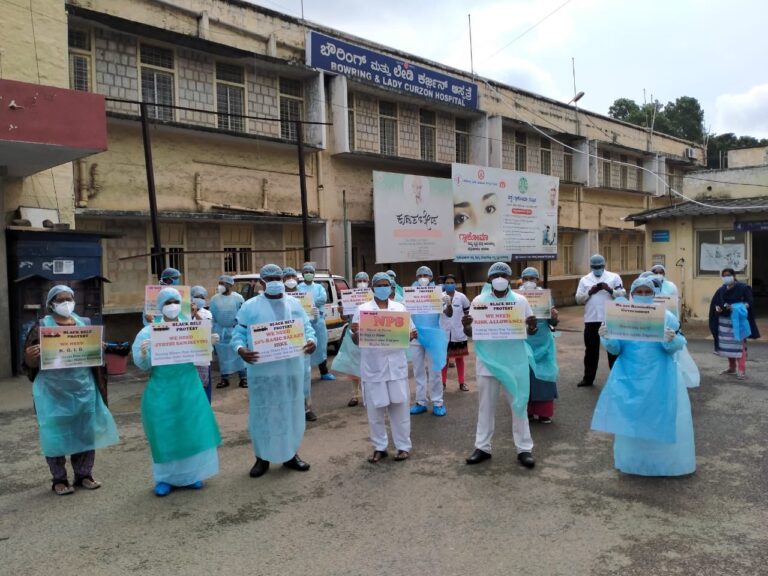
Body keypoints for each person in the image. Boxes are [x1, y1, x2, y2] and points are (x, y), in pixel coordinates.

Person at [591, 277, 696, 476]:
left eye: (648, 292)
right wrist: (606, 336)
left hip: (660, 376)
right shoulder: (621, 316)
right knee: (631, 418)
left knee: (659, 416)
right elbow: (615, 349)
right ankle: (633, 462)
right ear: (632, 293)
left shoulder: (666, 317)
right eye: (639, 292)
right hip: (629, 374)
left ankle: (663, 463)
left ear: (654, 294)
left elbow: (677, 344)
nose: (643, 296)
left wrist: (671, 340)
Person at [22, 285, 119, 495]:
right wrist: (30, 357)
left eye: (69, 298)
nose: (66, 303)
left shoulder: (84, 324)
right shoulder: (41, 328)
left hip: (82, 388)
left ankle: (84, 474)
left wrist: (98, 348)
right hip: (52, 391)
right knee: (54, 433)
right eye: (60, 299)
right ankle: (59, 479)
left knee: (84, 431)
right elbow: (28, 363)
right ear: (51, 304)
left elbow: (96, 359)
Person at [132, 287, 222, 496]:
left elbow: (200, 356)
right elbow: (142, 365)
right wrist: (145, 352)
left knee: (190, 429)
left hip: (189, 386)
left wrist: (207, 343)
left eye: (175, 301)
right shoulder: (148, 331)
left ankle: (191, 475)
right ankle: (165, 478)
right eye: (167, 302)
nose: (172, 306)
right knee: (165, 431)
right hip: (162, 388)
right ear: (160, 306)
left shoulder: (190, 327)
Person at [232, 264, 317, 478]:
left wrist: (311, 341)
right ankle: (262, 458)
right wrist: (240, 349)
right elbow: (238, 334)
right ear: (261, 283)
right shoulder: (250, 307)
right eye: (269, 279)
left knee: (291, 412)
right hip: (263, 373)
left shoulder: (295, 304)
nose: (275, 282)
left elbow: (307, 329)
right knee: (263, 414)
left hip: (291, 370)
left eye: (278, 277)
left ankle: (291, 455)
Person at [463, 262, 538, 469]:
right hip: (488, 362)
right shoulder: (478, 301)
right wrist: (467, 327)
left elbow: (529, 329)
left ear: (510, 279)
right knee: (485, 407)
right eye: (495, 274)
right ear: (489, 279)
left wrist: (532, 327)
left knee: (519, 405)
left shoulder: (520, 301)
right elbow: (472, 333)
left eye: (504, 274)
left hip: (514, 362)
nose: (500, 277)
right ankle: (482, 447)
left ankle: (524, 448)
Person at [351, 272, 417, 463]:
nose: (382, 288)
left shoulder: (399, 308)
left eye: (385, 285)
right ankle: (380, 447)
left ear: (391, 287)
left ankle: (403, 446)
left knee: (400, 407)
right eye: (379, 285)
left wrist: (412, 334)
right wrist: (356, 335)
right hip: (373, 367)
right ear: (372, 288)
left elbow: (411, 331)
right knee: (375, 410)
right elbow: (355, 339)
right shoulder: (363, 310)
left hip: (396, 366)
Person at [574, 254, 625, 387]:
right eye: (595, 267)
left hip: (610, 319)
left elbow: (622, 295)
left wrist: (609, 289)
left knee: (613, 350)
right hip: (591, 320)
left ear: (604, 265)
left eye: (600, 266)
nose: (597, 269)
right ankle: (588, 378)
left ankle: (616, 378)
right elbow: (578, 299)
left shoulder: (614, 277)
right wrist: (590, 292)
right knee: (591, 351)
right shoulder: (584, 279)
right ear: (591, 267)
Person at [520, 267, 560, 424]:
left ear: (538, 280)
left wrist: (554, 317)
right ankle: (527, 411)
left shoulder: (545, 296)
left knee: (544, 377)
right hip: (524, 341)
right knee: (525, 377)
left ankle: (544, 412)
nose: (530, 282)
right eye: (526, 278)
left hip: (544, 340)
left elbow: (553, 322)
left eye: (533, 278)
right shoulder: (516, 296)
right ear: (522, 280)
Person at [408, 266, 449, 417]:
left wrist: (448, 304)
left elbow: (448, 314)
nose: (423, 277)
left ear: (431, 277)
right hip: (416, 335)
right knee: (418, 371)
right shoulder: (410, 294)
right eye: (420, 275)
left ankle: (438, 402)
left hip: (433, 336)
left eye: (426, 275)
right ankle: (420, 402)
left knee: (435, 371)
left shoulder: (439, 294)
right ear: (416, 277)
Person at [708, 268, 760, 380]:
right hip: (724, 322)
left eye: (728, 275)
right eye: (724, 275)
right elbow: (716, 303)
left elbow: (749, 303)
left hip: (738, 322)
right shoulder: (721, 290)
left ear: (733, 275)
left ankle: (741, 370)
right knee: (728, 346)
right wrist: (718, 309)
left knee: (740, 346)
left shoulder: (743, 288)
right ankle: (731, 368)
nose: (726, 277)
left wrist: (735, 307)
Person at [332, 271, 369, 407]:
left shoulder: (373, 297)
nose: (362, 282)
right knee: (354, 366)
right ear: (354, 282)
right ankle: (355, 395)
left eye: (364, 279)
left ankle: (368, 394)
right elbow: (344, 318)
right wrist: (342, 312)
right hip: (352, 335)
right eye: (359, 280)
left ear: (369, 281)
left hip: (370, 334)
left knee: (369, 364)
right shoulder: (350, 297)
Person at [284, 267, 316, 421]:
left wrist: (311, 339)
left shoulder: (301, 299)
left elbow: (307, 324)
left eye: (292, 276)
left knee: (303, 378)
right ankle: (288, 411)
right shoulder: (274, 300)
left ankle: (306, 409)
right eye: (286, 276)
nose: (290, 279)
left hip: (300, 345)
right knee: (285, 380)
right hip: (281, 347)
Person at [298, 263, 335, 381]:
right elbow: (297, 300)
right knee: (305, 346)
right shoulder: (299, 288)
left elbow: (323, 299)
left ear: (313, 274)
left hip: (318, 321)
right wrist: (307, 306)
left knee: (321, 346)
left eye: (310, 272)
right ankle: (304, 373)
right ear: (303, 274)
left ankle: (324, 372)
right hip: (303, 321)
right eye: (306, 272)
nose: (308, 274)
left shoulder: (319, 287)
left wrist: (310, 304)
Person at [209, 275, 247, 389]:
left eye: (223, 283)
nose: (220, 285)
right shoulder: (214, 299)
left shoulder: (238, 298)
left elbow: (243, 314)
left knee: (239, 354)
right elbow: (212, 316)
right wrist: (213, 330)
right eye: (219, 283)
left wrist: (239, 324)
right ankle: (224, 378)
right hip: (221, 331)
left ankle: (243, 378)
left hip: (235, 330)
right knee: (222, 357)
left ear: (230, 285)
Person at [439, 274, 471, 392]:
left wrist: (467, 326)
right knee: (444, 359)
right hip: (444, 333)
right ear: (444, 284)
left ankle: (462, 382)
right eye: (447, 282)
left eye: (452, 282)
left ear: (455, 284)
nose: (450, 284)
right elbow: (444, 313)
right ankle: (442, 383)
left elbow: (468, 312)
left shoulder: (462, 297)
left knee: (459, 359)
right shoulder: (439, 297)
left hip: (458, 332)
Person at [191, 294, 217, 403]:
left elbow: (206, 326)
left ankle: (205, 406)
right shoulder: (183, 313)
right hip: (187, 354)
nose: (199, 299)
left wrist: (195, 313)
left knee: (204, 384)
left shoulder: (207, 313)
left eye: (201, 297)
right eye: (196, 296)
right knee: (191, 384)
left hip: (202, 353)